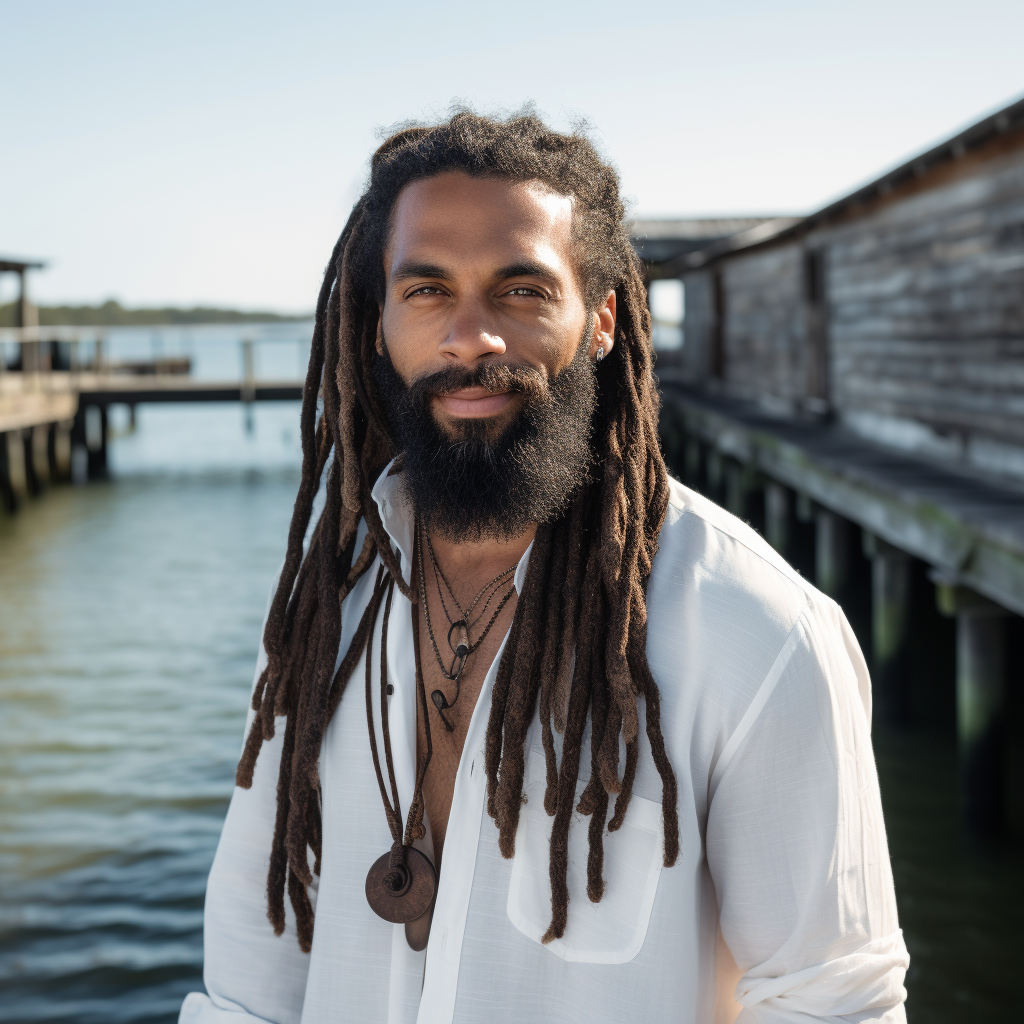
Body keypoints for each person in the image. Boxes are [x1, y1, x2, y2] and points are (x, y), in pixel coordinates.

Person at [179, 110, 908, 1024]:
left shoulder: (756, 635)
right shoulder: (325, 610)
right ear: (377, 327)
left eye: (521, 290)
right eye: (427, 291)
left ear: (600, 320)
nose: (471, 336)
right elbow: (251, 974)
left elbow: (832, 1001)